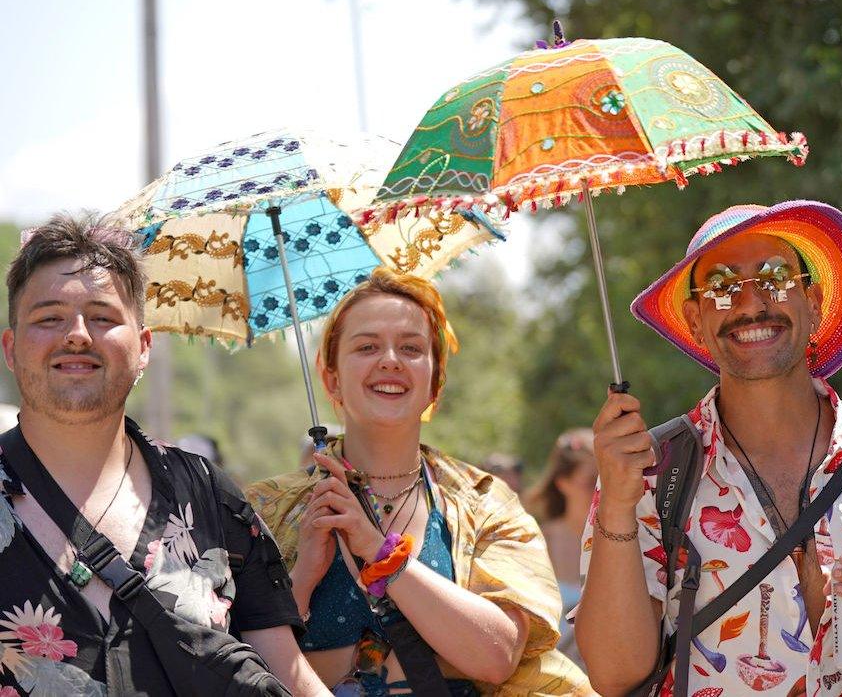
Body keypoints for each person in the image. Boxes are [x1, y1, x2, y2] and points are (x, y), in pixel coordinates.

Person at [574, 201, 842, 697]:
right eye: (720, 285)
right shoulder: (650, 472)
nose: (749, 303)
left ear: (813, 299)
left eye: (774, 275)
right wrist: (615, 500)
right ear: (695, 320)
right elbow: (614, 676)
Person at [0, 214, 329, 695]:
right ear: (10, 349)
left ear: (144, 346)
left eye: (103, 317)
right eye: (49, 318)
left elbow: (286, 671)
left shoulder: (210, 494)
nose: (76, 334)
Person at [246, 267, 591, 696]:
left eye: (411, 348)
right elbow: (234, 659)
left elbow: (497, 656)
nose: (390, 359)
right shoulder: (262, 509)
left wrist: (378, 551)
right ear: (331, 377)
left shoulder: (485, 501)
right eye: (367, 346)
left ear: (434, 384)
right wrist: (303, 575)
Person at [525, 428, 598, 667]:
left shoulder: (628, 540)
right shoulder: (538, 542)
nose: (601, 491)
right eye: (591, 483)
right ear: (563, 483)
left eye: (607, 480)